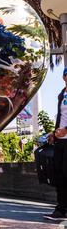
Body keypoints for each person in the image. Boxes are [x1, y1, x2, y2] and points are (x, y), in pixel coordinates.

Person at [44, 67, 67, 220]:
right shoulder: (62, 94)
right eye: (66, 75)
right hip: (60, 141)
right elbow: (60, 116)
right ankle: (61, 209)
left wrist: (66, 129)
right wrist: (54, 132)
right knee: (59, 174)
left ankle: (62, 209)